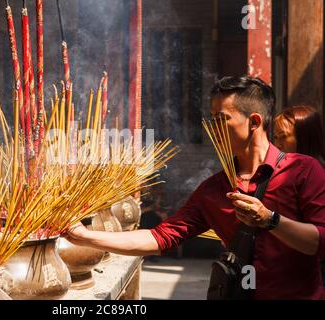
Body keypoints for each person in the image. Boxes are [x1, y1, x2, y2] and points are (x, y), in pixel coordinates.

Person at [65, 76, 325, 300]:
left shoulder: (303, 171)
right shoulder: (214, 189)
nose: (213, 129)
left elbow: (319, 241)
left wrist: (270, 220)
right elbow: (160, 237)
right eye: (211, 120)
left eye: (221, 119)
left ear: (254, 122)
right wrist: (85, 237)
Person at [273, 105, 325, 288]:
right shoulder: (282, 172)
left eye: (284, 137)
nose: (277, 145)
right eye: (275, 137)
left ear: (305, 137)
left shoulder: (316, 173)